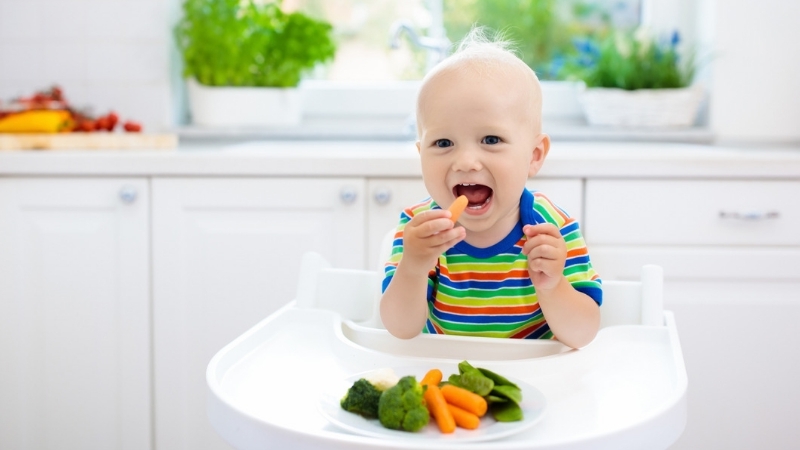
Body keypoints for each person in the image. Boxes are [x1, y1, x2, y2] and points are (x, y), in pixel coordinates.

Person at [379, 28, 602, 349]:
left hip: (534, 383)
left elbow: (583, 334)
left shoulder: (551, 228)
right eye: (443, 142)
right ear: (420, 155)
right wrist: (412, 267)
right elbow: (401, 330)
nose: (466, 161)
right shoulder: (419, 231)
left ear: (534, 156)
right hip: (445, 380)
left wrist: (553, 286)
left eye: (491, 140)